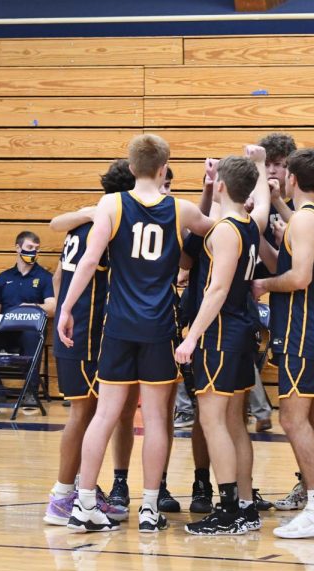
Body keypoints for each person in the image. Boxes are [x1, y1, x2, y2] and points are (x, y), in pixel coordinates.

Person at [58, 133, 213, 534]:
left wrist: (68, 308)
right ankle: (148, 507)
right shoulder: (181, 208)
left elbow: (90, 260)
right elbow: (217, 229)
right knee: (157, 418)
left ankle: (86, 503)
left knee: (105, 414)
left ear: (130, 168)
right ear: (164, 169)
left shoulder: (111, 203)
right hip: (159, 326)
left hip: (118, 326)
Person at [176, 147, 270, 535]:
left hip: (220, 334)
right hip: (240, 332)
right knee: (234, 424)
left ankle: (230, 509)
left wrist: (190, 338)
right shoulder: (249, 223)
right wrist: (261, 167)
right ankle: (245, 506)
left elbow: (216, 290)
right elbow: (262, 199)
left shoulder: (227, 230)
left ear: (223, 186)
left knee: (214, 421)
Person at [252, 148, 314, 539]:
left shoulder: (304, 220)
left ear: (291, 179)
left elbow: (298, 277)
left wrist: (262, 285)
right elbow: (288, 264)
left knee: (291, 418)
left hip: (304, 332)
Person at [41, 160, 136, 527]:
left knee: (92, 414)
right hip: (86, 334)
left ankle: (81, 490)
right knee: (84, 415)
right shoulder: (105, 224)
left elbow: (58, 273)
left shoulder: (83, 222)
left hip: (75, 331)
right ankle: (63, 495)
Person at [0, 231, 55, 401]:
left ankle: (31, 392)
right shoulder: (3, 278)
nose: (33, 252)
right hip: (6, 329)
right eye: (29, 247)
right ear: (18, 248)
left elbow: (52, 308)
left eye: (37, 249)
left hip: (30, 329)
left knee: (33, 337)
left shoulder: (45, 277)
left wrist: (32, 307)